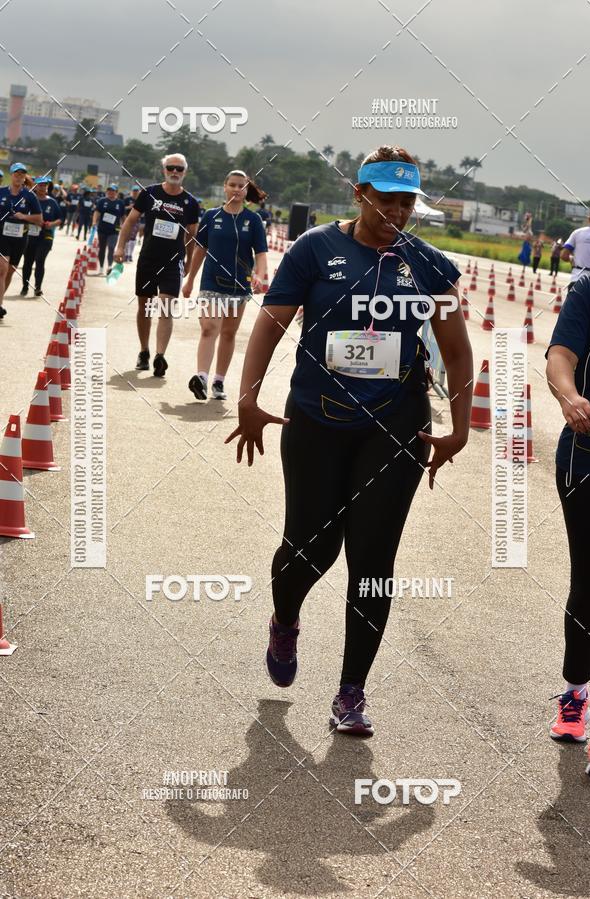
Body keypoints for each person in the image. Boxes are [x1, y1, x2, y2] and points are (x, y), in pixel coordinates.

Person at [225, 145, 473, 735]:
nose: (396, 213)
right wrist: (248, 398)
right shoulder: (316, 248)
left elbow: (458, 352)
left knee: (374, 560)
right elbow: (271, 322)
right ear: (358, 195)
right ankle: (285, 619)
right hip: (316, 419)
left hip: (395, 426)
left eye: (406, 202)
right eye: (384, 200)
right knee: (311, 548)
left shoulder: (431, 265)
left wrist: (459, 428)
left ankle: (351, 693)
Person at [546, 271, 590, 778]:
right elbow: (561, 355)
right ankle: (575, 693)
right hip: (588, 456)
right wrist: (567, 395)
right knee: (589, 582)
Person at [182, 170, 268, 401]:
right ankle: (201, 377)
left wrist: (262, 275)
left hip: (239, 285)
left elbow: (260, 253)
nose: (237, 189)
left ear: (246, 189)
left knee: (229, 333)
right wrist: (189, 279)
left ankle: (218, 381)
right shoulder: (211, 216)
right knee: (209, 326)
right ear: (225, 187)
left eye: (241, 185)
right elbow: (200, 250)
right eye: (232, 185)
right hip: (211, 282)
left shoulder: (254, 220)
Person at [113, 153, 199, 377]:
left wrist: (188, 260)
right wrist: (120, 246)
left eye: (179, 169)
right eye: (171, 167)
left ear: (185, 173)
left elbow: (192, 236)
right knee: (144, 307)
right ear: (164, 170)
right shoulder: (149, 193)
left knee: (165, 307)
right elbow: (131, 220)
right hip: (148, 259)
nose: (174, 172)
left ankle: (160, 356)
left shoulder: (190, 202)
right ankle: (144, 351)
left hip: (173, 262)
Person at [0, 163, 42, 319]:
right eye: (16, 174)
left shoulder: (30, 196)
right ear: (11, 175)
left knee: (9, 272)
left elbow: (39, 219)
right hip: (2, 236)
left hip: (20, 238)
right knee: (2, 270)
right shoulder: (1, 192)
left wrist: (23, 217)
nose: (19, 176)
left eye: (22, 174)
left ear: (25, 176)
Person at [20, 177, 62, 297]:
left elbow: (60, 219)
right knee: (27, 262)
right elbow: (21, 215)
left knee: (40, 260)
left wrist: (52, 224)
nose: (42, 187)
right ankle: (25, 286)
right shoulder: (29, 200)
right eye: (40, 185)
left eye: (45, 185)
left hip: (45, 236)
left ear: (47, 187)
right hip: (29, 235)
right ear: (35, 186)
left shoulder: (52, 202)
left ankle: (38, 287)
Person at [561, 207, 590, 285]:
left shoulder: (577, 233)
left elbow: (564, 256)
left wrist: (572, 259)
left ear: (589, 219)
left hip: (577, 279)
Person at [93, 183, 125, 276]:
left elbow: (123, 216)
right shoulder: (102, 201)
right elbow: (97, 212)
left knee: (111, 247)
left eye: (113, 191)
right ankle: (101, 268)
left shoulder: (120, 203)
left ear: (116, 192)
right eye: (109, 190)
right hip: (102, 228)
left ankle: (110, 266)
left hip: (115, 229)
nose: (110, 192)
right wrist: (94, 221)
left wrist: (125, 226)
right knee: (102, 248)